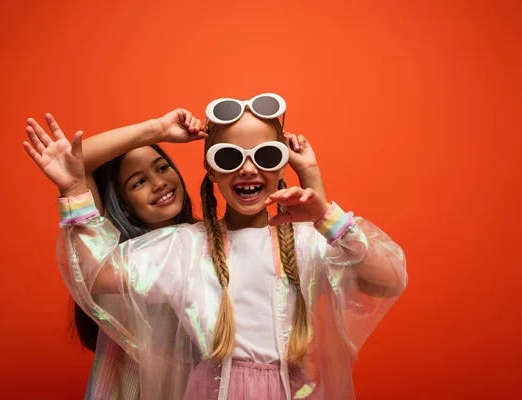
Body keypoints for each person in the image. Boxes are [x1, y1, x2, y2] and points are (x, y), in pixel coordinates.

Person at [24, 93, 407, 399]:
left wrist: (325, 212)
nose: (247, 169)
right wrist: (72, 189)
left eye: (265, 155)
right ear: (210, 170)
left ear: (282, 163)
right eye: (228, 157)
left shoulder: (310, 242)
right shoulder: (185, 248)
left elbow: (388, 279)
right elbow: (98, 275)